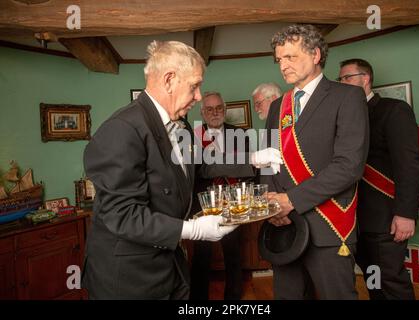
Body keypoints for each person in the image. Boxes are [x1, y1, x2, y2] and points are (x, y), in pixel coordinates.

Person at [81, 40, 240, 299]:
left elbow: (202, 168)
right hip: (129, 276)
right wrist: (194, 229)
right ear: (169, 80)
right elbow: (123, 215)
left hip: (169, 264)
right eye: (195, 86)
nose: (199, 96)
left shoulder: (182, 127)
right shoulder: (122, 129)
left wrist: (253, 157)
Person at [261, 24, 369, 299]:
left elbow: (349, 166)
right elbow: (268, 160)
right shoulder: (278, 106)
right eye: (279, 59)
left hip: (328, 226)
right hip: (284, 225)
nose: (283, 65)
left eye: (291, 57)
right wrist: (272, 205)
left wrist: (291, 200)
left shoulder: (348, 97)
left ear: (316, 54)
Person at [338, 58, 419, 300]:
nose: (341, 83)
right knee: (373, 278)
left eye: (347, 78)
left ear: (366, 79)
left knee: (391, 282)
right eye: (339, 79)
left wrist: (406, 214)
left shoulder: (393, 110)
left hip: (386, 216)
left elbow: (408, 166)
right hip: (355, 218)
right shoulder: (345, 116)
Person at [190, 91, 255, 300]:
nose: (214, 112)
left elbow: (247, 169)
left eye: (218, 108)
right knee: (201, 255)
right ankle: (198, 301)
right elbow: (196, 171)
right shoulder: (192, 136)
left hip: (232, 202)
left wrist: (217, 166)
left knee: (233, 254)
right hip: (203, 204)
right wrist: (229, 165)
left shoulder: (241, 134)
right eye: (209, 109)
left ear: (224, 111)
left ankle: (233, 299)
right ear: (202, 112)